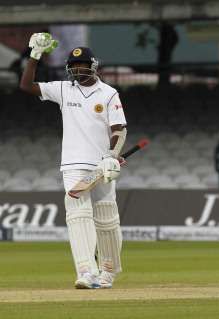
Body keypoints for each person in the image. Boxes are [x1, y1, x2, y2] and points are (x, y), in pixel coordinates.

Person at [19, 33, 127, 289]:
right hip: (73, 164)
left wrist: (111, 156)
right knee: (76, 207)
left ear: (93, 66)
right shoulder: (64, 90)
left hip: (101, 165)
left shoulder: (109, 94)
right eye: (74, 66)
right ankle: (86, 271)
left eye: (82, 65)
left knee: (106, 217)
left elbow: (119, 129)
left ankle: (108, 271)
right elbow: (26, 85)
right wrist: (34, 56)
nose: (78, 70)